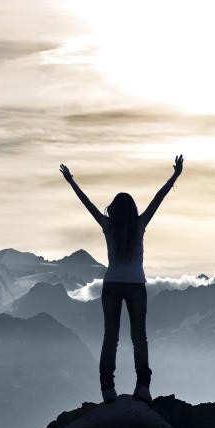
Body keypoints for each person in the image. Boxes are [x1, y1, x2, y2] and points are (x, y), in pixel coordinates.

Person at [59, 154, 184, 404]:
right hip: (136, 285)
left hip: (112, 285)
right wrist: (175, 175)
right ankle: (143, 387)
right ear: (133, 211)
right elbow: (158, 200)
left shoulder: (108, 226)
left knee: (110, 338)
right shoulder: (140, 225)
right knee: (140, 338)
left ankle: (107, 390)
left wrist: (71, 181)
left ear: (114, 210)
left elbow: (88, 204)